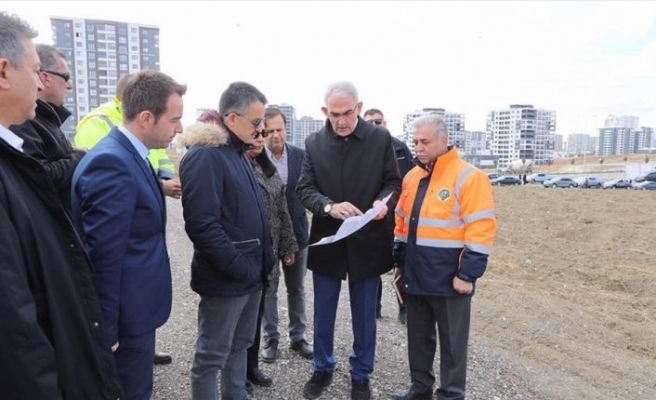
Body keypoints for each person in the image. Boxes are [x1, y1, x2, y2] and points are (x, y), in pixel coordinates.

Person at [0, 12, 122, 399]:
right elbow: (15, 325)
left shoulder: (12, 157)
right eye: (37, 71)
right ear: (3, 72)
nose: (41, 84)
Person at [72, 70, 185, 400]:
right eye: (174, 120)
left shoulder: (133, 153)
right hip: (125, 320)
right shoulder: (112, 162)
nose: (179, 129)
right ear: (147, 118)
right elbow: (103, 256)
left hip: (135, 311)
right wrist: (106, 329)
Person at [296, 81, 401, 400]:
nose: (341, 121)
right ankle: (322, 367)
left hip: (368, 238)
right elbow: (304, 189)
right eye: (334, 114)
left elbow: (393, 182)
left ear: (359, 107)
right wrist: (329, 206)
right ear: (325, 111)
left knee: (365, 313)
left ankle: (361, 373)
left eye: (347, 113)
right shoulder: (314, 142)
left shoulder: (380, 139)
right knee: (323, 311)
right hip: (329, 237)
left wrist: (382, 204)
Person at [179, 82, 275, 400]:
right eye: (256, 122)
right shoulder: (205, 156)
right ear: (231, 118)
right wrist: (238, 266)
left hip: (250, 275)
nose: (262, 130)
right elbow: (202, 225)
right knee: (211, 356)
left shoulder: (238, 153)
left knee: (240, 346)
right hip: (226, 278)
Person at [390, 115, 497, 400]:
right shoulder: (412, 177)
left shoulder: (469, 177)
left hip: (451, 279)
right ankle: (420, 389)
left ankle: (450, 394)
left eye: (425, 141)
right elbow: (402, 222)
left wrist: (467, 274)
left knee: (453, 345)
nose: (418, 147)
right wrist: (399, 259)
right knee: (418, 339)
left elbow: (481, 227)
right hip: (416, 274)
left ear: (443, 141)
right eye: (415, 142)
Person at [244, 117, 299, 391]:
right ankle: (237, 374)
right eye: (257, 134)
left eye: (262, 134)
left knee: (255, 315)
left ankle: (251, 367)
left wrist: (288, 245)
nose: (260, 138)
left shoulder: (267, 167)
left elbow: (282, 209)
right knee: (242, 318)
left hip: (270, 252)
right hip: (245, 254)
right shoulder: (237, 165)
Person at [260, 106, 313, 363]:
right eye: (268, 131)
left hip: (299, 233)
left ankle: (298, 336)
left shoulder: (302, 157)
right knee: (269, 288)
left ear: (286, 129)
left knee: (297, 288)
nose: (274, 135)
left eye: (279, 129)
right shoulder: (256, 158)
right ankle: (271, 338)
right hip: (268, 237)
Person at [75, 73, 182, 200]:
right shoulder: (97, 121)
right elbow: (103, 175)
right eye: (173, 120)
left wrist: (162, 178)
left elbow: (159, 157)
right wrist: (159, 185)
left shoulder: (140, 127)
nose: (180, 129)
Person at [9, 43, 85, 209]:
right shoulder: (22, 121)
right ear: (45, 78)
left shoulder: (46, 119)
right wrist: (79, 156)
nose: (69, 85)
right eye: (65, 77)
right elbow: (42, 177)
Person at [363, 108, 413, 325]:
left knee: (400, 266)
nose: (374, 126)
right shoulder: (361, 149)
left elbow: (410, 179)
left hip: (399, 217)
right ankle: (374, 308)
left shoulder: (401, 149)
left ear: (385, 122)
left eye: (378, 121)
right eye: (369, 123)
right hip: (374, 217)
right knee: (373, 265)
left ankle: (404, 308)